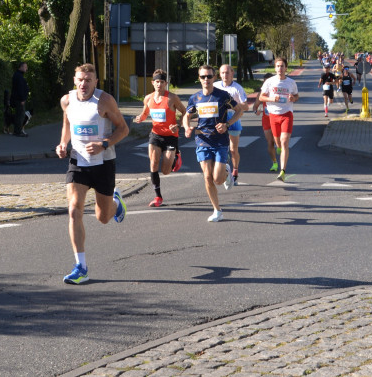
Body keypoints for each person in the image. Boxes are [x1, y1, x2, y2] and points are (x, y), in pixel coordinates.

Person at [55, 63, 129, 284]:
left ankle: (116, 204)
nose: (84, 84)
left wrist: (104, 144)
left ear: (96, 82)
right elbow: (67, 124)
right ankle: (81, 267)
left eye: (88, 80)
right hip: (78, 161)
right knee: (74, 210)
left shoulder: (105, 101)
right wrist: (62, 143)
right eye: (80, 79)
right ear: (74, 80)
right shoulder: (67, 100)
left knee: (103, 217)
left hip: (103, 163)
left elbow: (124, 129)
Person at [183, 64, 239, 222]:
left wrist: (227, 124)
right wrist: (187, 127)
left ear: (214, 78)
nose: (206, 79)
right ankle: (217, 210)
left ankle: (226, 173)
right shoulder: (195, 98)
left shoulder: (223, 95)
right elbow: (187, 116)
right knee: (207, 177)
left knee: (218, 179)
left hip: (220, 141)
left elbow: (240, 110)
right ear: (199, 78)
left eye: (209, 76)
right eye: (203, 77)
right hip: (202, 140)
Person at [133, 69, 187, 207]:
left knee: (166, 171)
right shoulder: (148, 98)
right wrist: (140, 118)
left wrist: (178, 125)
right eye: (157, 82)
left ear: (166, 83)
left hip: (170, 137)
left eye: (162, 82)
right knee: (153, 163)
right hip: (155, 135)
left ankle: (176, 156)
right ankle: (158, 197)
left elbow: (185, 112)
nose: (159, 84)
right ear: (153, 82)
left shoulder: (172, 98)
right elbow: (145, 113)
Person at [258, 57, 299, 182]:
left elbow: (297, 96)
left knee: (285, 141)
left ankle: (282, 171)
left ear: (286, 68)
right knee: (278, 143)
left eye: (282, 66)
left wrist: (293, 98)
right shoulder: (269, 82)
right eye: (277, 66)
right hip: (273, 115)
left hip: (286, 114)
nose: (280, 68)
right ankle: (279, 148)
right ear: (275, 68)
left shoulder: (291, 82)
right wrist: (272, 99)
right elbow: (261, 97)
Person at [213, 64, 247, 184]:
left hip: (234, 119)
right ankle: (225, 172)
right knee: (220, 148)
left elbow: (246, 106)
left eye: (227, 73)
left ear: (232, 73)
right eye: (222, 73)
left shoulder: (237, 88)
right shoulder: (215, 86)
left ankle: (235, 171)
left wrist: (233, 104)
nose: (225, 75)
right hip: (219, 120)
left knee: (233, 149)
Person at [251, 97, 279, 172]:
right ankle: (274, 162)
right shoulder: (262, 92)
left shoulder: (277, 90)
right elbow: (255, 106)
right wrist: (255, 111)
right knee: (270, 142)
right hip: (267, 120)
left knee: (278, 141)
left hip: (278, 119)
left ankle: (280, 147)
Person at [9, 61, 29, 137]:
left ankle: (17, 130)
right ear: (20, 67)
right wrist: (22, 99)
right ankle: (18, 131)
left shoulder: (18, 75)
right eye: (25, 67)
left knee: (19, 114)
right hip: (19, 99)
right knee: (20, 115)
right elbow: (19, 89)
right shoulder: (19, 76)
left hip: (17, 98)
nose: (26, 68)